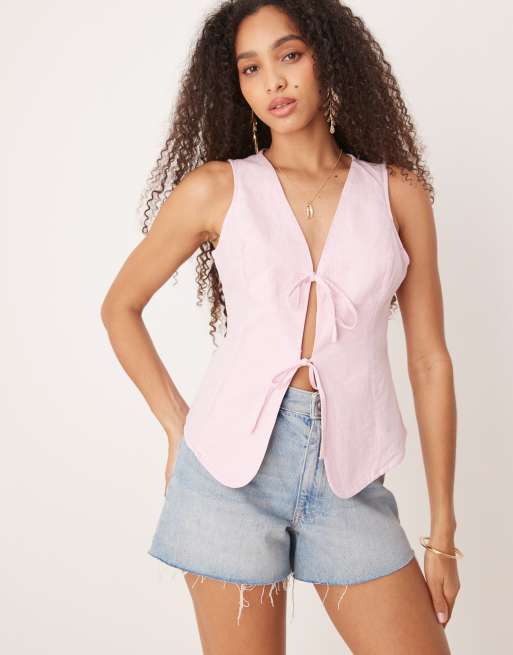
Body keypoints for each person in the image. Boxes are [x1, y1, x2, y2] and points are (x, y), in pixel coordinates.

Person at [101, 1, 462, 653]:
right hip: (225, 478)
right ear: (235, 85)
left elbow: (429, 361)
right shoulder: (216, 189)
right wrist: (177, 424)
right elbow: (120, 306)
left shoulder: (397, 192)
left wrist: (442, 532)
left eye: (289, 55)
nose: (273, 81)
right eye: (251, 68)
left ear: (327, 56)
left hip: (350, 478)